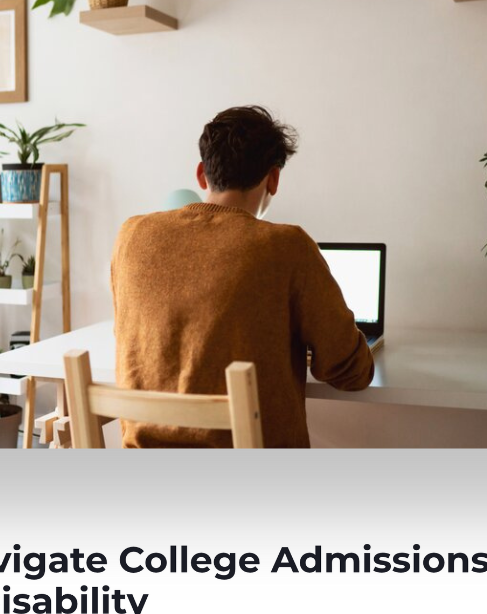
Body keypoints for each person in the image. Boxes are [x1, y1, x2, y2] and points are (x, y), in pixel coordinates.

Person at [110, 105, 374, 448]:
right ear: (274, 179)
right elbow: (350, 371)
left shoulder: (132, 234)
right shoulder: (287, 245)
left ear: (202, 174)